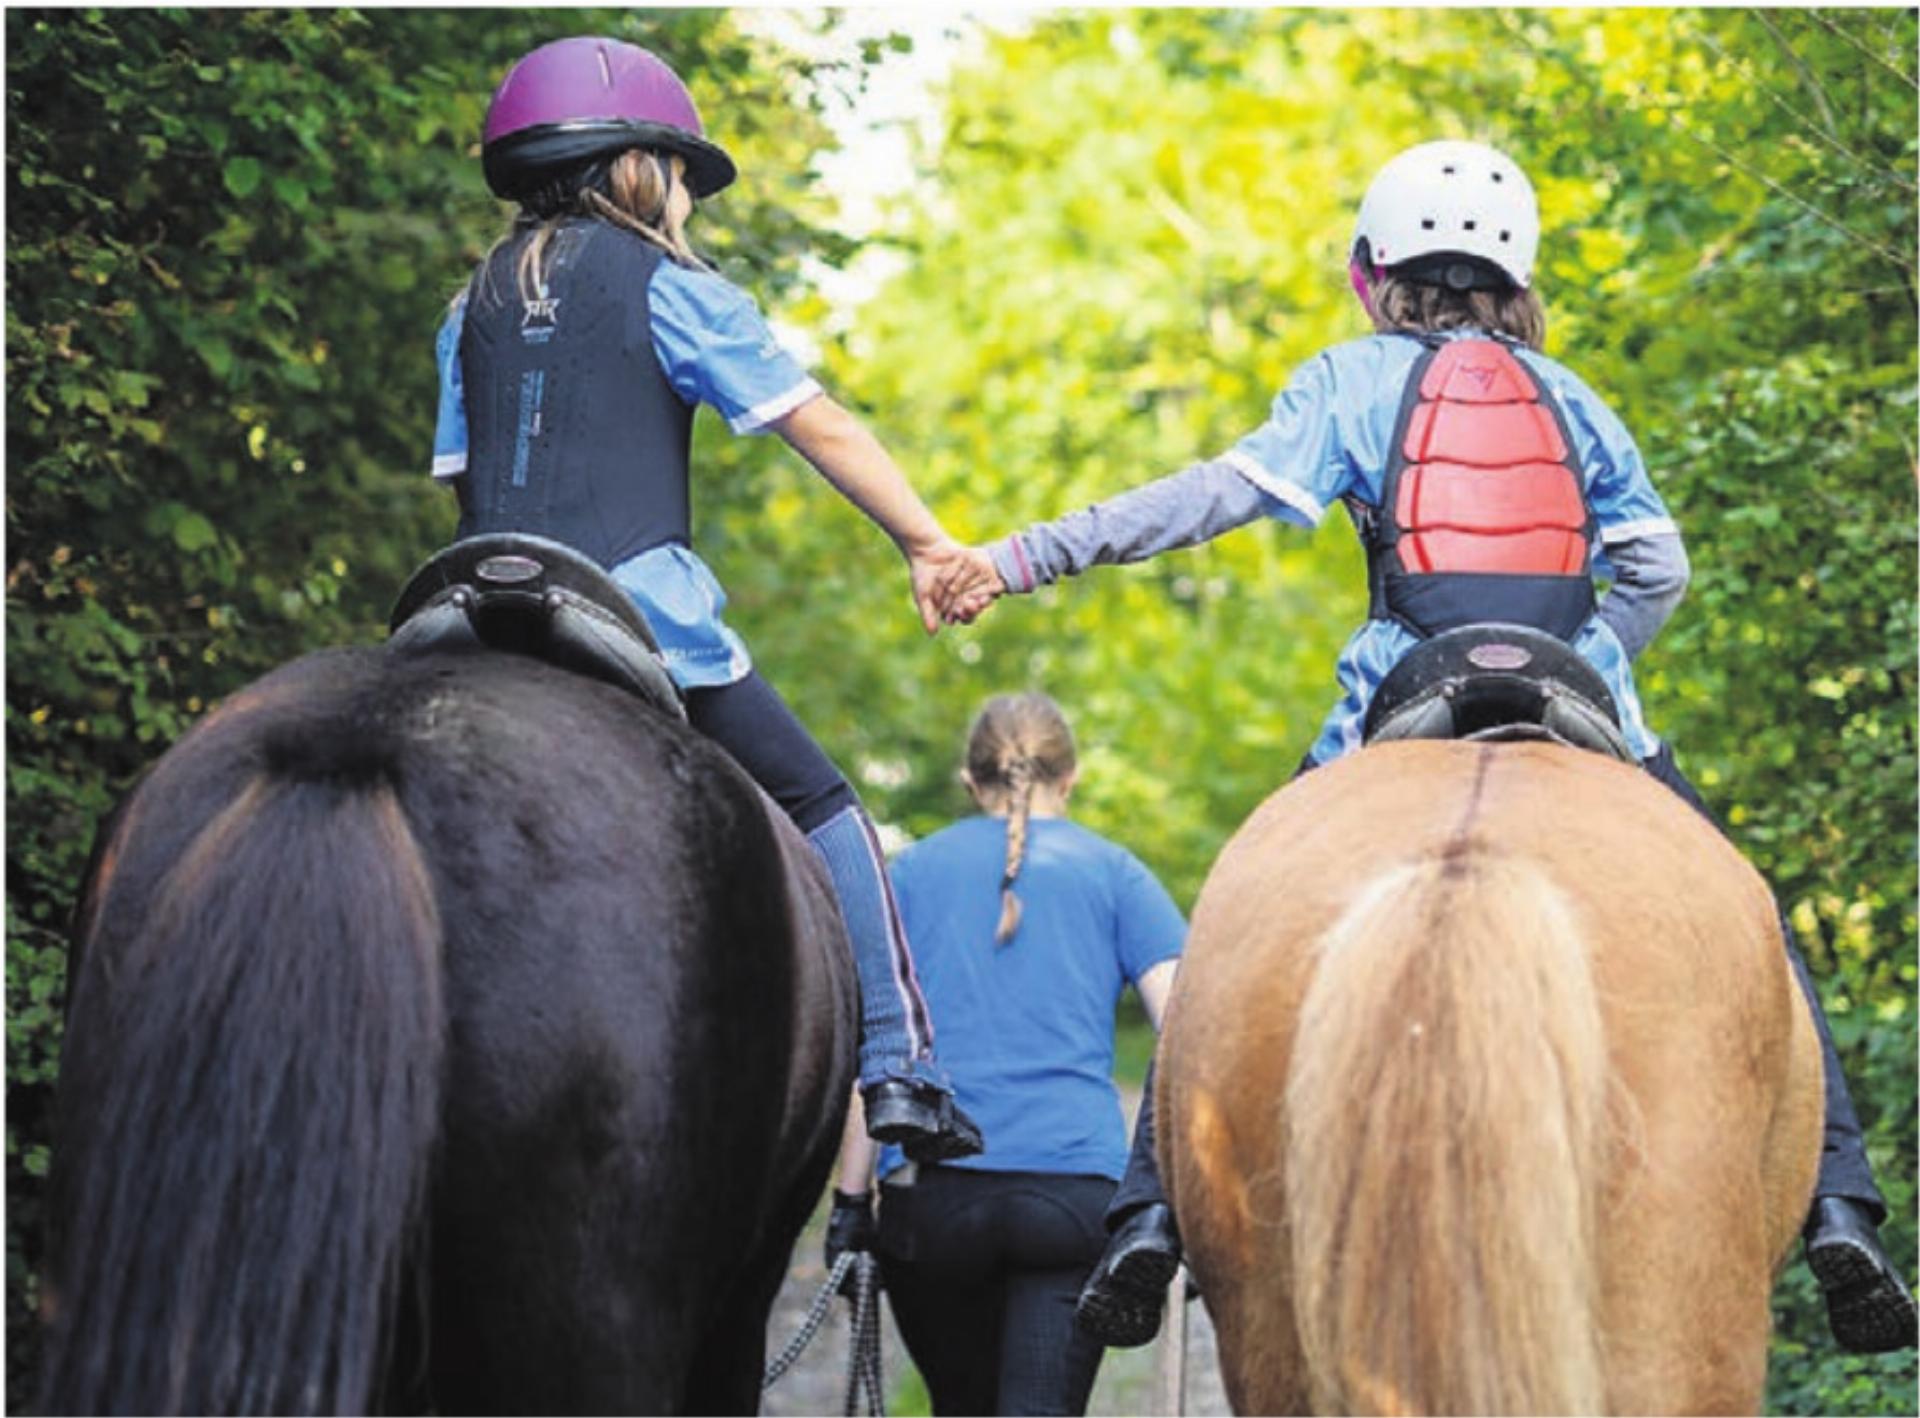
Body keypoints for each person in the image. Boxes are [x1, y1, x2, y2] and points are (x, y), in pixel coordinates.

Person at [930, 140, 1916, 1355]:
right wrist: (1602, 653)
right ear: (1517, 278)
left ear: (1371, 274)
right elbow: (1661, 564)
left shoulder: (1349, 380)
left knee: (1245, 899)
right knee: (1748, 911)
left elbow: (1208, 496)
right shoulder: (1575, 397)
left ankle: (1146, 1212)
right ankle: (1841, 1201)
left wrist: (1025, 554)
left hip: (1401, 694)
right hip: (1574, 686)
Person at [429, 35, 984, 1161]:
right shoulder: (674, 288)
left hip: (467, 612)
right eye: (682, 174)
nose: (687, 197)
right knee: (830, 807)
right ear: (639, 169)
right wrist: (927, 539)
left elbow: (456, 475)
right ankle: (900, 1065)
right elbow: (810, 419)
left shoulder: (466, 307)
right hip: (632, 609)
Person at [824, 693, 1185, 1415]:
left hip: (933, 1200)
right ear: (1071, 777)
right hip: (1077, 1196)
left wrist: (850, 1202)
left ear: (969, 778)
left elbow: (879, 1049)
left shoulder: (907, 876)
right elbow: (1186, 1028)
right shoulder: (1115, 872)